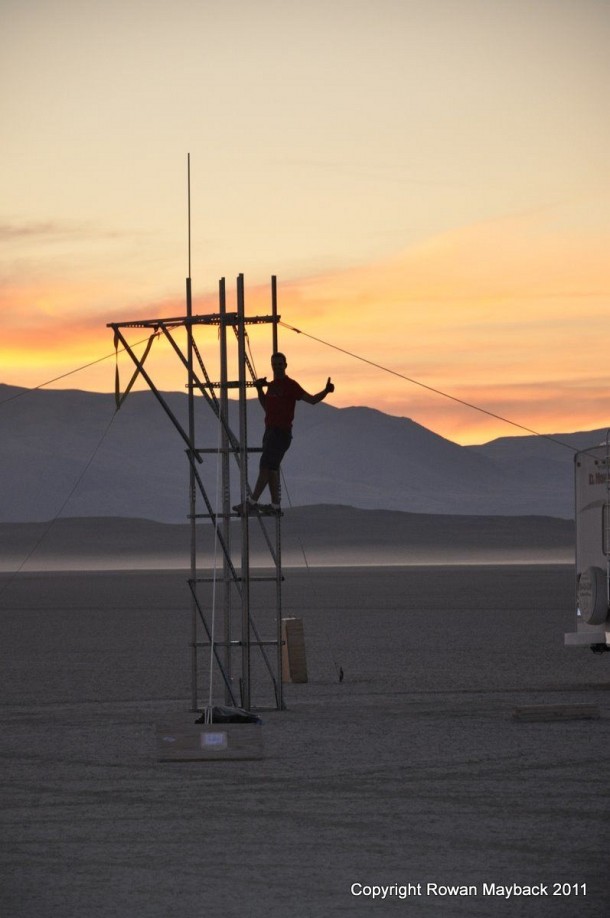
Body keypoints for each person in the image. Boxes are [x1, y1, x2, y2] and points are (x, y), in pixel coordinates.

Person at [234, 352, 334, 515]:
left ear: (285, 365)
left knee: (266, 467)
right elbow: (267, 407)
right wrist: (260, 390)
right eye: (274, 364)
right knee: (271, 468)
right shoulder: (272, 386)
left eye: (280, 364)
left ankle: (251, 502)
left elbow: (313, 400)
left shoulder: (291, 385)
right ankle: (275, 506)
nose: (277, 367)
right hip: (270, 431)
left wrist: (326, 391)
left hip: (281, 433)